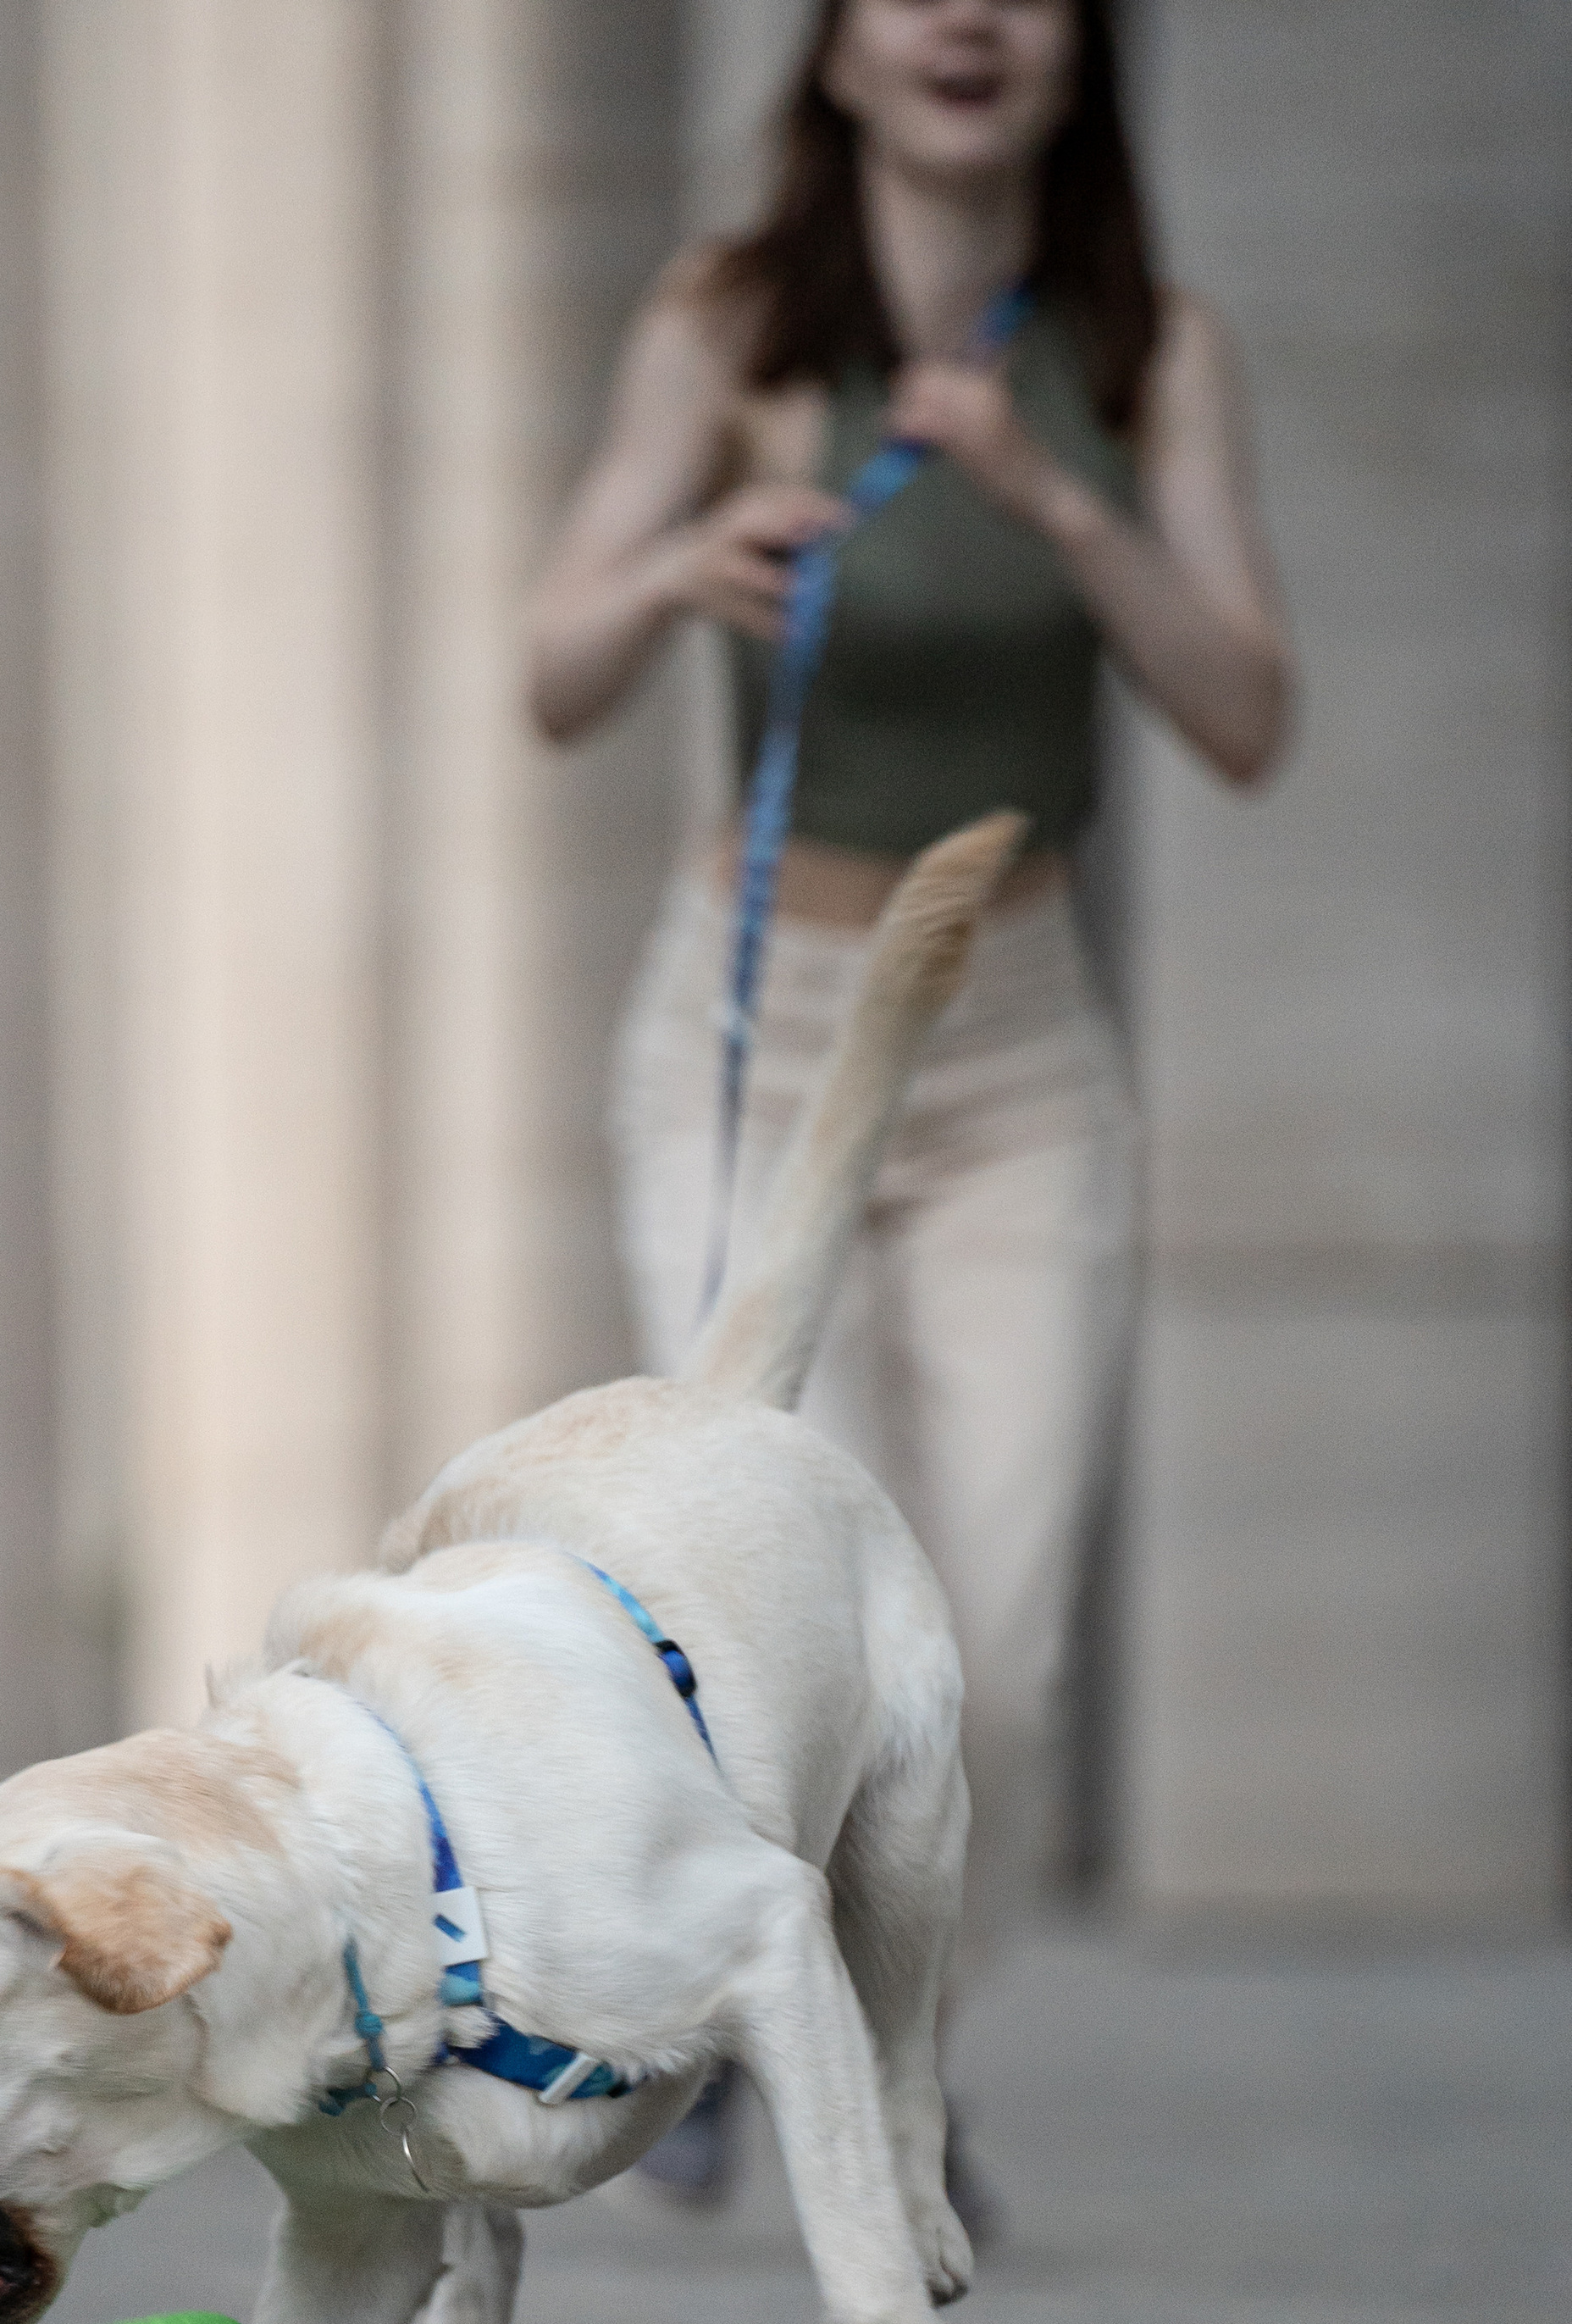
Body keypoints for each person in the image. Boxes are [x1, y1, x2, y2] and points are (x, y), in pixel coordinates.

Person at [527, 0, 1291, 2204]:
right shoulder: (737, 320)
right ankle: (814, 2067)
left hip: (1018, 1041)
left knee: (1004, 1645)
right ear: (839, 50)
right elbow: (550, 674)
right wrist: (675, 572)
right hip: (759, 1033)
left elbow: (1245, 713)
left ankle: (867, 2049)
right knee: (795, 1583)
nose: (969, 18)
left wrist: (1058, 496)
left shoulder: (1153, 350)